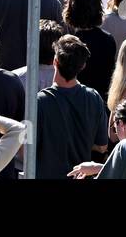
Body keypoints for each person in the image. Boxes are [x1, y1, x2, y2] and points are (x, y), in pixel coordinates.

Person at [36, 34, 109, 179]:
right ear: (82, 66)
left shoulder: (40, 101)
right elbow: (102, 146)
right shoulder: (94, 98)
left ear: (55, 62)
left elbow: (25, 149)